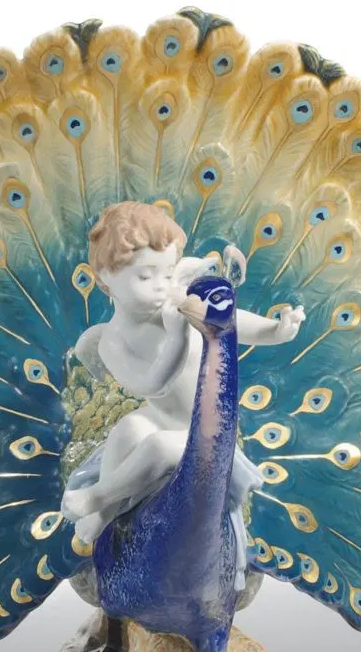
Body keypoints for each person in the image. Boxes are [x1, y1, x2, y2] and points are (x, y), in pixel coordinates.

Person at [62, 202, 305, 568]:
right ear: (106, 276)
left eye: (168, 272)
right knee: (127, 429)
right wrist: (176, 337)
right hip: (159, 415)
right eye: (146, 276)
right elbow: (152, 385)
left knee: (160, 446)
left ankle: (98, 497)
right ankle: (108, 511)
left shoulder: (182, 303)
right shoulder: (112, 340)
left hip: (208, 431)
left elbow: (231, 321)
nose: (163, 286)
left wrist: (276, 330)